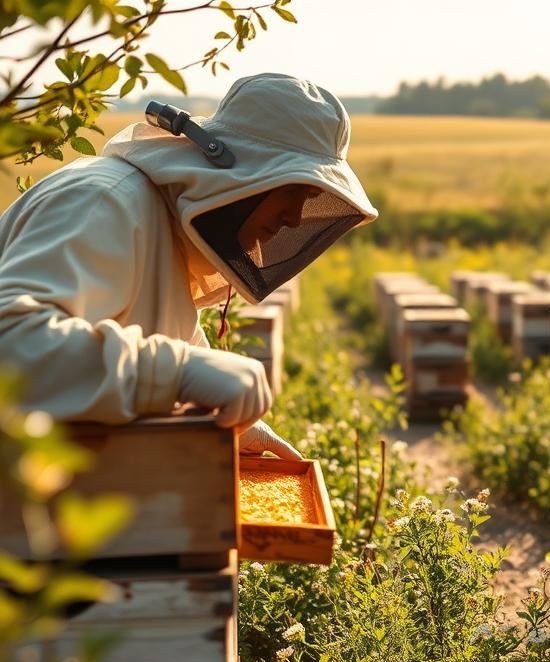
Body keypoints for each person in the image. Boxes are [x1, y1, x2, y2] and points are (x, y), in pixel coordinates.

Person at [0, 73, 377, 457]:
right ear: (242, 168)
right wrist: (177, 373)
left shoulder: (166, 238)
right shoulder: (105, 202)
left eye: (308, 197)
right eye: (292, 191)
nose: (295, 219)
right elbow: (10, 348)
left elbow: (156, 360)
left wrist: (225, 419)